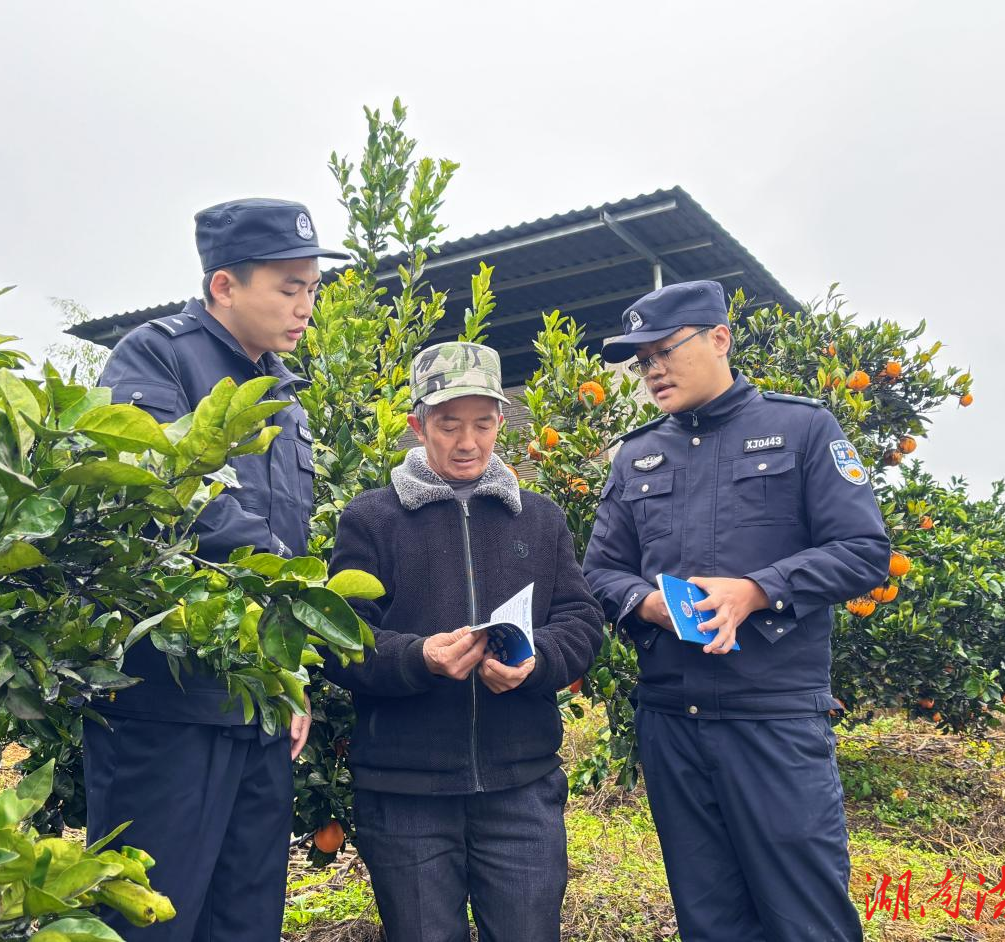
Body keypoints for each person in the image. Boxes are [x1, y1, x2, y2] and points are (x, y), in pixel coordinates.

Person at [582, 280, 891, 942]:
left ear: (718, 338)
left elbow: (863, 551)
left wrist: (756, 590)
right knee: (710, 921)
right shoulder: (637, 454)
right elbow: (598, 571)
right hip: (672, 725)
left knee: (806, 920)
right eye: (641, 362)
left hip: (773, 724)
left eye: (664, 351)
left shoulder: (801, 429)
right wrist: (645, 604)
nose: (652, 371)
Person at [83, 198, 349, 941]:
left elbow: (287, 542)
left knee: (247, 914)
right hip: (168, 706)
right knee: (153, 916)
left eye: (312, 289)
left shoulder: (285, 395)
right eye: (288, 287)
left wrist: (288, 673)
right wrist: (290, 592)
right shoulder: (156, 357)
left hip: (257, 705)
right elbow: (172, 500)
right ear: (224, 285)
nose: (305, 307)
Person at [322, 341, 604, 942]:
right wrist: (416, 658)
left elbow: (581, 618)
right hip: (406, 795)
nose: (467, 442)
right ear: (417, 425)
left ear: (502, 422)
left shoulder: (540, 517)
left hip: (521, 788)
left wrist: (537, 660)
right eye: (448, 425)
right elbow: (338, 637)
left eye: (482, 423)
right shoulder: (371, 520)